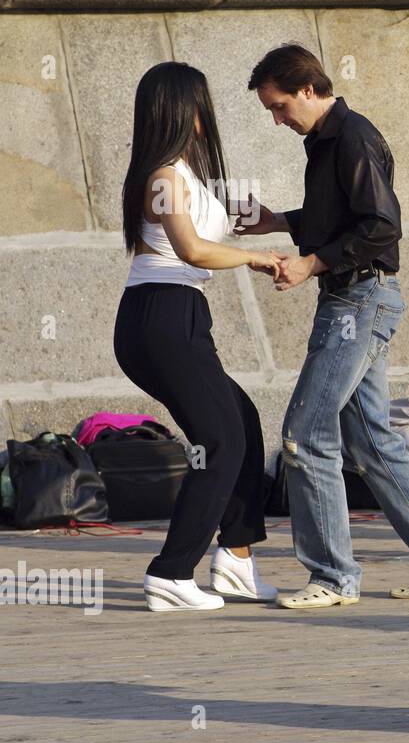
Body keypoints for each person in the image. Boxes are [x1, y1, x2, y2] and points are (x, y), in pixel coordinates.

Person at [233, 44, 409, 607]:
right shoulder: (325, 142)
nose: (277, 120)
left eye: (278, 107)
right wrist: (278, 222)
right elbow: (339, 220)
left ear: (305, 89)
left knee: (305, 433)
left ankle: (332, 577)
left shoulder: (350, 138)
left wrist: (310, 263)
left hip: (357, 302)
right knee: (373, 441)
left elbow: (379, 228)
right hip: (355, 298)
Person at [114, 62, 285, 612]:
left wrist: (289, 224)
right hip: (161, 316)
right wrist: (258, 259)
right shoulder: (163, 176)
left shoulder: (185, 174)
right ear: (183, 108)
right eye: (200, 102)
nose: (206, 113)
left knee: (243, 424)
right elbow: (191, 250)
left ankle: (235, 560)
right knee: (219, 441)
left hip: (180, 315)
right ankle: (171, 573)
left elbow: (227, 225)